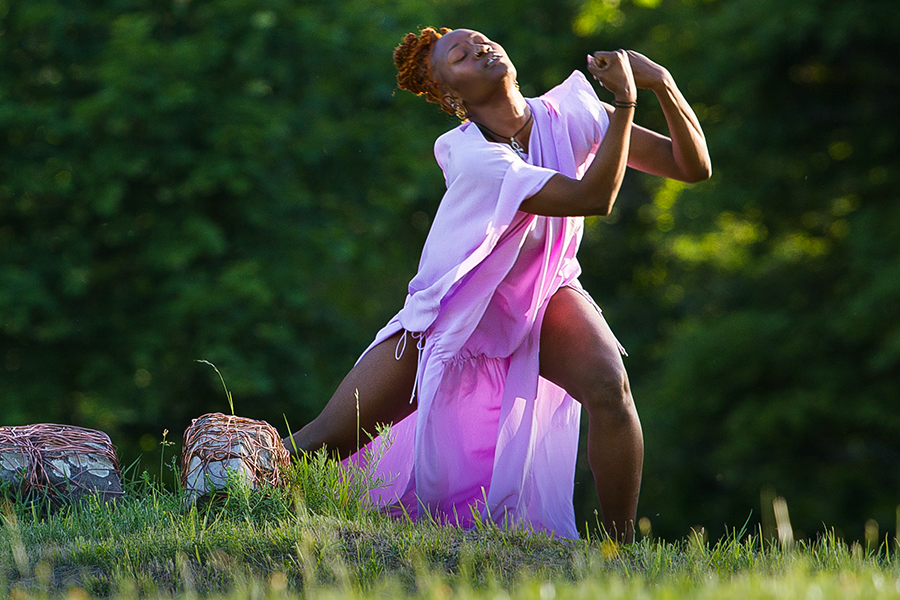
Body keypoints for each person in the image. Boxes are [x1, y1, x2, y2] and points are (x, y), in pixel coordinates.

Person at [283, 27, 710, 543]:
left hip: (542, 292)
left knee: (610, 387)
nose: (480, 49)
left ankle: (621, 552)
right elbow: (593, 198)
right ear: (451, 96)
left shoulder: (569, 114)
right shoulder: (471, 155)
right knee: (328, 439)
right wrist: (624, 100)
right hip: (451, 311)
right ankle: (232, 483)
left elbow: (691, 167)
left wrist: (661, 84)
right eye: (460, 56)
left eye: (481, 40)